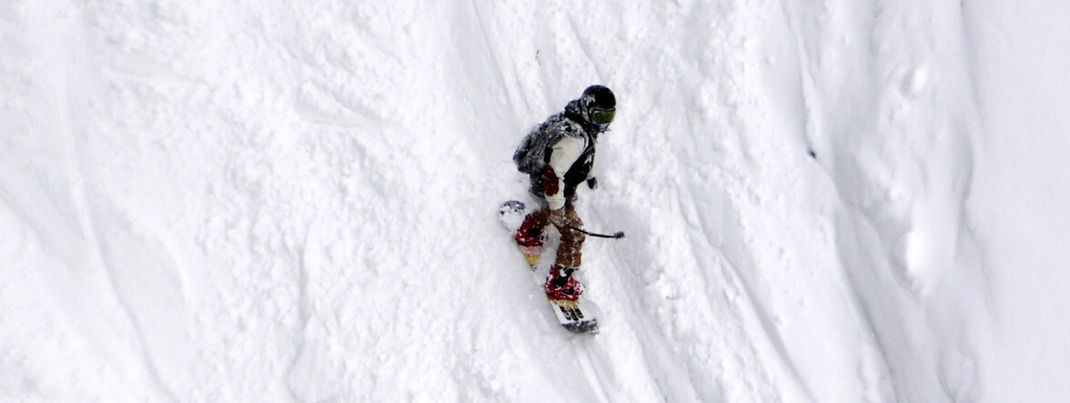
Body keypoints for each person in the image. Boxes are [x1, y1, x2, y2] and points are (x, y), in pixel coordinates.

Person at [512, 85, 616, 300]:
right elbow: (554, 173)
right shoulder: (576, 138)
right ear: (588, 110)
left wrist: (588, 174)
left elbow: (579, 156)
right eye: (600, 116)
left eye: (609, 116)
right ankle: (560, 283)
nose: (604, 123)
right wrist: (558, 206)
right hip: (550, 186)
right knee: (574, 232)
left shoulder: (569, 121)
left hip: (542, 181)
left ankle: (530, 233)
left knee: (551, 209)